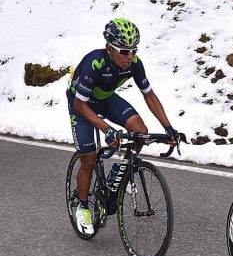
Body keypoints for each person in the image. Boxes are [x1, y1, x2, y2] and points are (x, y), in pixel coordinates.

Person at [67, 18, 177, 235]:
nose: (130, 57)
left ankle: (122, 170)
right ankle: (83, 206)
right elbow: (81, 104)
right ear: (110, 48)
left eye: (133, 51)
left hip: (106, 99)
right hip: (80, 104)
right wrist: (107, 129)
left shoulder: (134, 64)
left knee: (140, 132)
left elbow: (149, 95)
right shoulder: (94, 63)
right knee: (88, 159)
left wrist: (168, 128)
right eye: (124, 51)